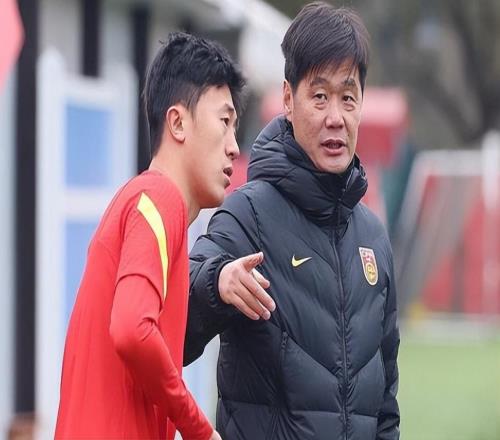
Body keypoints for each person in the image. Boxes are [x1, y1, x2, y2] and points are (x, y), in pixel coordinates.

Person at [184, 3, 400, 439]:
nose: (335, 117)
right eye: (319, 96)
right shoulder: (247, 215)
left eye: (348, 97)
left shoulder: (374, 239)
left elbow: (385, 408)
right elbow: (175, 325)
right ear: (287, 98)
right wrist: (217, 283)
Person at [55, 32, 245, 440]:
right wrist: (199, 429)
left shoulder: (145, 201)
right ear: (177, 123)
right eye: (224, 122)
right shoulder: (159, 198)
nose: (234, 146)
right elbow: (131, 329)